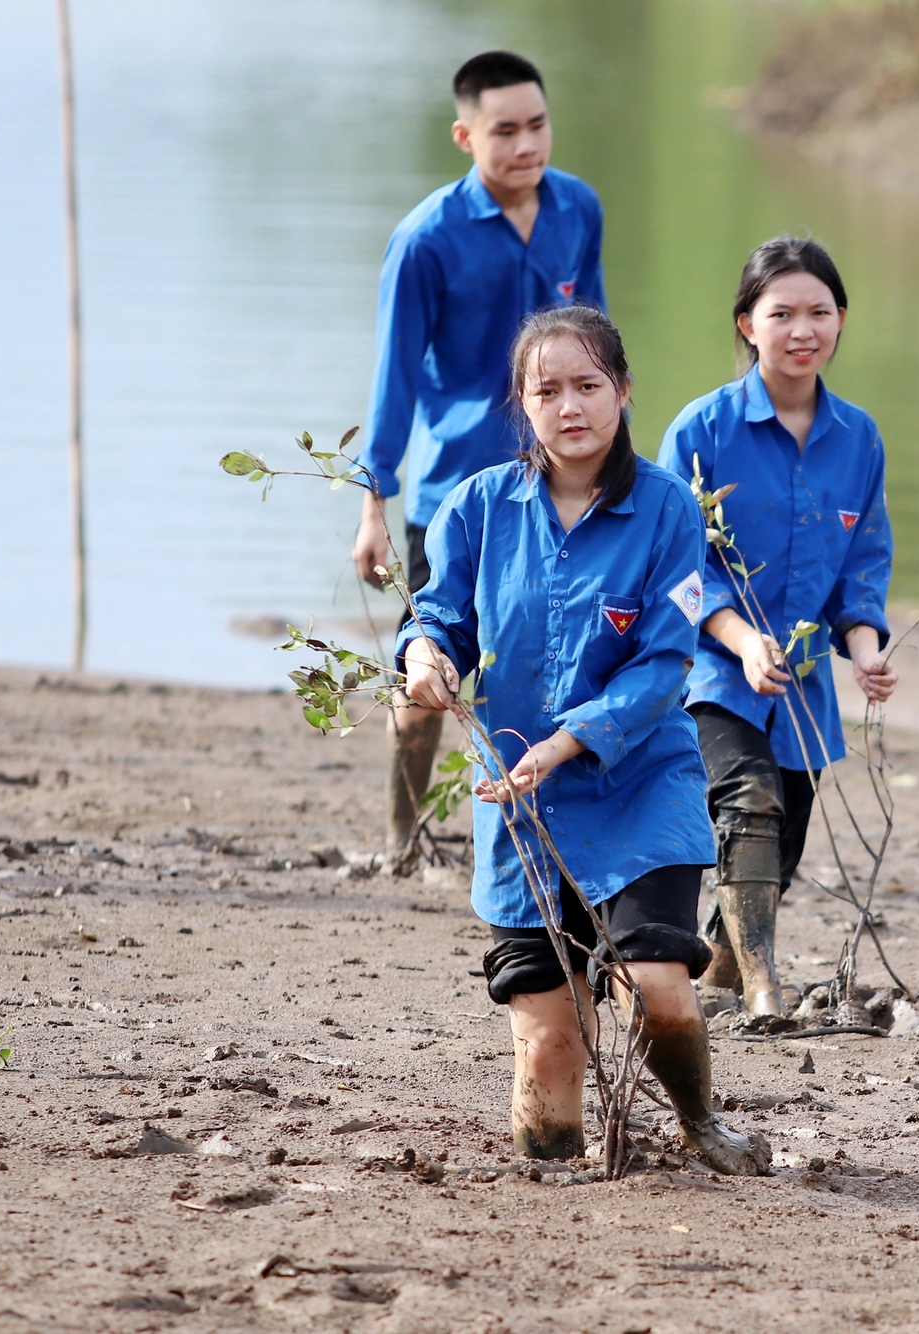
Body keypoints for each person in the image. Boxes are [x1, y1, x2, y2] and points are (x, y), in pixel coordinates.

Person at [399, 306, 766, 1173]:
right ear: (521, 406)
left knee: (658, 984)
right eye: (547, 390)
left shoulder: (669, 510)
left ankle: (698, 1118)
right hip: (520, 807)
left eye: (589, 385)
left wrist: (567, 743)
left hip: (639, 786)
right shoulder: (476, 508)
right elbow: (439, 617)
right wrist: (422, 656)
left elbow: (663, 661)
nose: (570, 406)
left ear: (624, 391)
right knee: (547, 1063)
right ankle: (562, 1152)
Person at [357, 50, 607, 865]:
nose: (526, 144)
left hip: (562, 481)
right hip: (456, 490)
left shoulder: (578, 208)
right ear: (465, 135)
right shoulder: (426, 239)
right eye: (505, 130)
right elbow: (393, 378)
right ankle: (406, 835)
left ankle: (542, 832)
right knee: (429, 667)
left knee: (551, 659)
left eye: (538, 124)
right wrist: (373, 506)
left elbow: (597, 342)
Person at [657, 237, 895, 1017]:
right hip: (710, 667)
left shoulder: (858, 438)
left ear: (841, 321)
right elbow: (679, 568)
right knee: (749, 801)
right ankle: (764, 985)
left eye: (818, 313)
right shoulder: (702, 430)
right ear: (746, 325)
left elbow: (862, 561)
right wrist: (741, 638)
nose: (803, 330)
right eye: (781, 313)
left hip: (800, 684)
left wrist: (865, 648)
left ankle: (717, 972)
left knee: (779, 841)